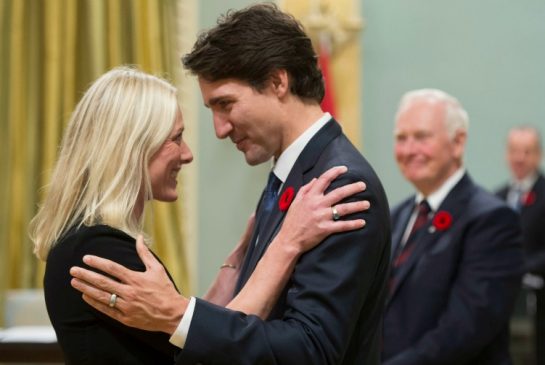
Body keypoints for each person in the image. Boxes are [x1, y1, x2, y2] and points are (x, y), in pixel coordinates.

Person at [69, 3, 391, 365]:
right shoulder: (293, 173)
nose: (220, 129)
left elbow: (311, 350)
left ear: (277, 82)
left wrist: (178, 315)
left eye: (226, 104)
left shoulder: (338, 183)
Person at [29, 66, 370, 364]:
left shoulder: (88, 240)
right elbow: (211, 353)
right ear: (132, 147)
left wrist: (232, 269)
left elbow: (175, 335)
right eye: (175, 139)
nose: (188, 154)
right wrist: (287, 241)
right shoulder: (97, 251)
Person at [383, 88, 524, 365]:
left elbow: (464, 329)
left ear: (458, 142)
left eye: (422, 137)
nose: (409, 150)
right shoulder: (397, 215)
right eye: (401, 138)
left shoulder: (493, 220)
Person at [496, 126, 545, 365]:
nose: (520, 158)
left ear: (539, 155)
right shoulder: (497, 197)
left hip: (537, 301)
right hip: (503, 301)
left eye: (527, 151)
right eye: (515, 151)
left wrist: (522, 267)